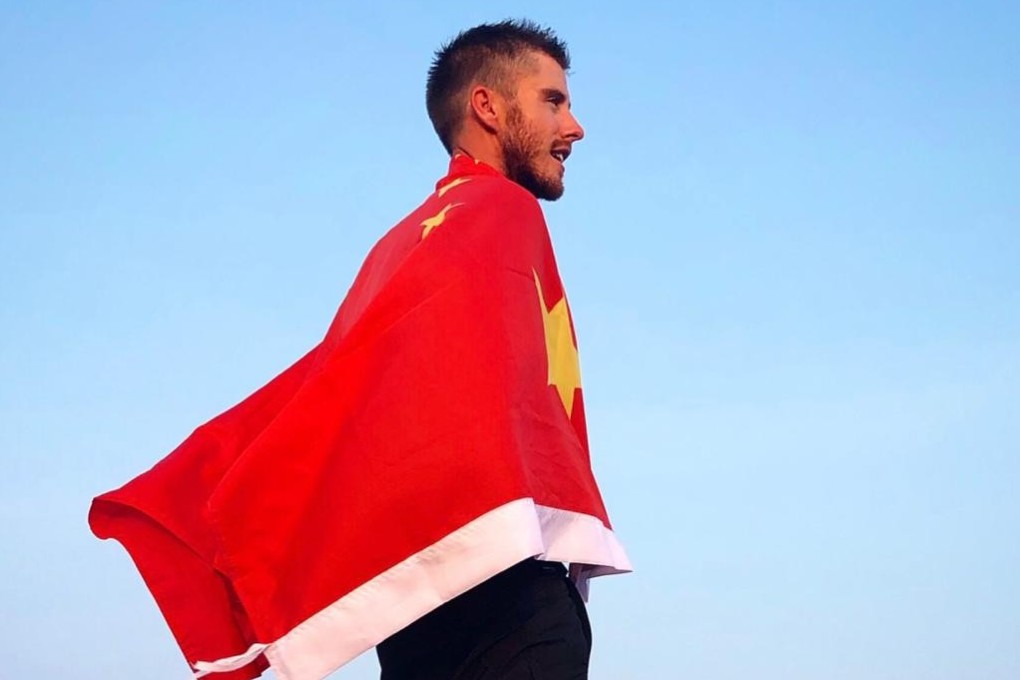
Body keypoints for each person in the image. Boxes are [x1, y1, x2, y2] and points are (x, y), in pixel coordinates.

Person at [89, 19, 629, 680]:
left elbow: (339, 393)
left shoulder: (398, 246)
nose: (573, 126)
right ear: (487, 106)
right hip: (508, 600)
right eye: (553, 101)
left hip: (414, 611)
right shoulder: (503, 211)